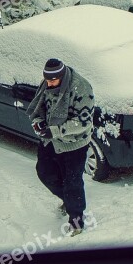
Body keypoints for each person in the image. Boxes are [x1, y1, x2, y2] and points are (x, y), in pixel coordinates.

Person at [27, 58, 95, 236]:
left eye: (52, 81)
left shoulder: (81, 88)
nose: (48, 84)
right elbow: (38, 108)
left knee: (73, 182)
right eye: (47, 80)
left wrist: (55, 130)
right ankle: (68, 199)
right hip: (51, 141)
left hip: (74, 144)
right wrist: (38, 123)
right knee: (45, 173)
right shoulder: (47, 83)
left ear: (62, 76)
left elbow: (84, 122)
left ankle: (76, 221)